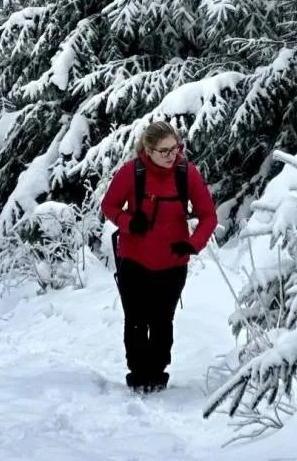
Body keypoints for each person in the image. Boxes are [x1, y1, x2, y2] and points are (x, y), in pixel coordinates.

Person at [101, 121, 218, 392]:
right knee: (136, 319)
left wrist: (192, 244)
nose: (171, 156)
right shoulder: (132, 173)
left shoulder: (186, 173)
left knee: (163, 319)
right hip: (134, 260)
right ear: (148, 150)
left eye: (175, 149)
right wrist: (128, 222)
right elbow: (108, 205)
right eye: (164, 151)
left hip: (173, 262)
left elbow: (208, 216)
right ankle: (138, 375)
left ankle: (157, 374)